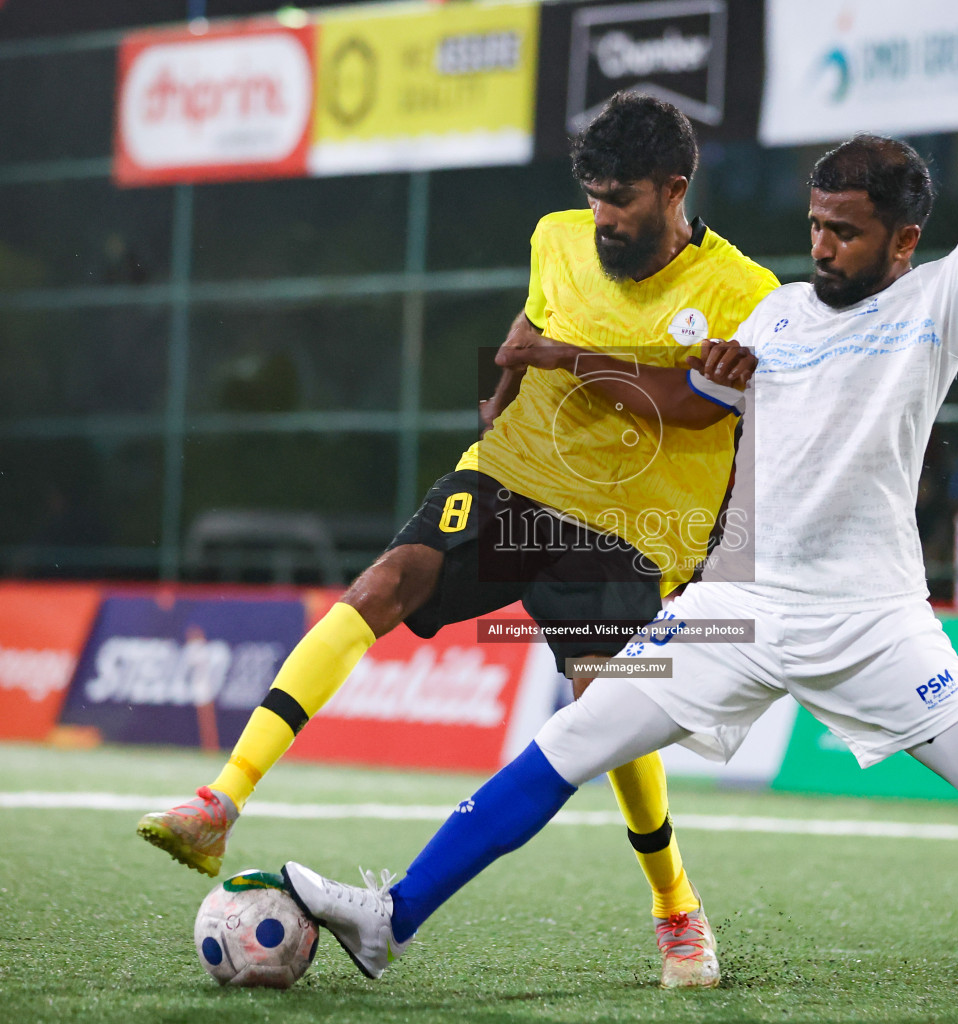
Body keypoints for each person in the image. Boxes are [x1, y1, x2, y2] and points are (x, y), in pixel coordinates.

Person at [279, 10, 958, 1018]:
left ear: (903, 241)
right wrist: (692, 372)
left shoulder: (935, 307)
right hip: (743, 609)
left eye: (845, 231)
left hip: (873, 621)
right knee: (572, 741)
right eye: (814, 224)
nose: (821, 245)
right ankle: (392, 917)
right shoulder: (772, 314)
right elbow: (685, 403)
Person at [135, 91, 779, 989]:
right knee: (385, 583)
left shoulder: (744, 293)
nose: (601, 219)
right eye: (592, 195)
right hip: (512, 480)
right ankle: (221, 799)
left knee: (606, 712)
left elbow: (687, 410)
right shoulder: (556, 238)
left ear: (674, 190)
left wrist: (566, 361)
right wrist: (502, 392)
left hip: (627, 529)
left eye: (620, 200)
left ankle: (676, 907)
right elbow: (524, 340)